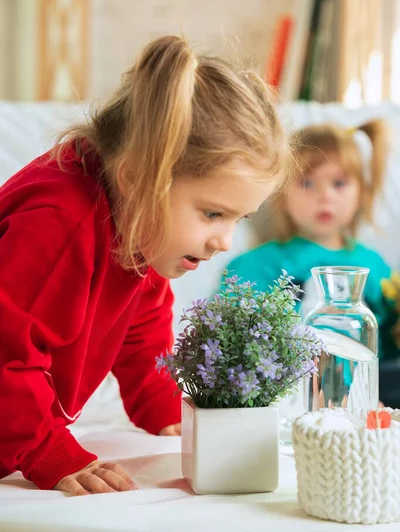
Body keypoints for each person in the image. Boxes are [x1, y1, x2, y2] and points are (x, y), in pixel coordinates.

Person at [0, 36, 290, 496]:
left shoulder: (140, 228)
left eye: (240, 218)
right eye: (213, 213)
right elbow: (5, 352)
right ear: (137, 177)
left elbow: (140, 333)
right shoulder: (61, 221)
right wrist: (46, 450)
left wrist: (167, 413)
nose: (224, 241)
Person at [223, 120, 400, 364]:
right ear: (280, 194)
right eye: (307, 183)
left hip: (371, 394)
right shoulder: (257, 265)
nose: (325, 195)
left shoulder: (373, 264)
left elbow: (392, 343)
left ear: (363, 193)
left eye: (339, 183)